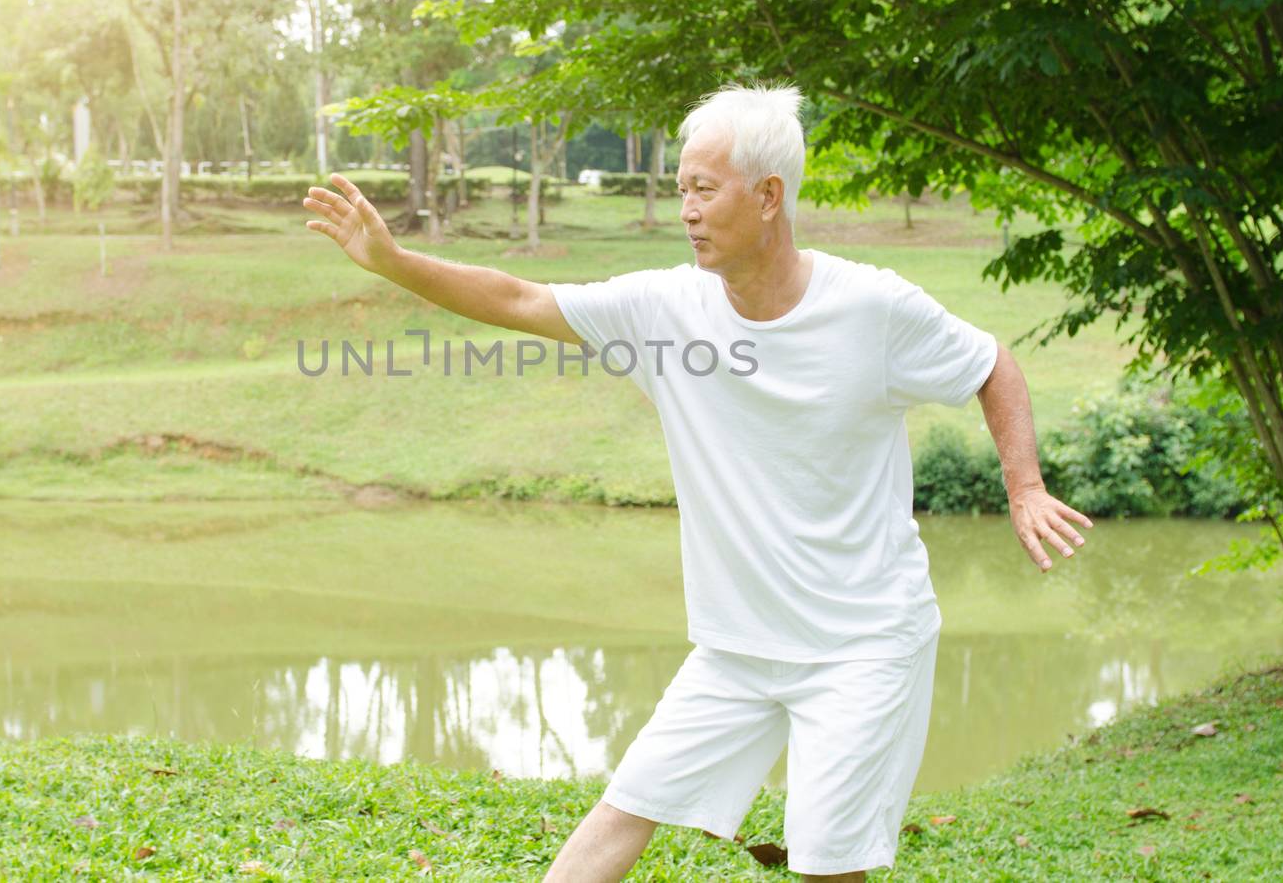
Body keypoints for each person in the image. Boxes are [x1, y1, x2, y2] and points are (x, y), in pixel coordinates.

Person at [301, 83, 1093, 882]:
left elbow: (992, 364)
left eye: (703, 189)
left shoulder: (872, 307)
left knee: (827, 865)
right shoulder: (664, 310)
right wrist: (395, 263)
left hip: (863, 645)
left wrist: (1023, 485)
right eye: (681, 188)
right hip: (736, 648)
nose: (686, 209)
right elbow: (521, 296)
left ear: (769, 196)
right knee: (617, 820)